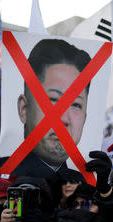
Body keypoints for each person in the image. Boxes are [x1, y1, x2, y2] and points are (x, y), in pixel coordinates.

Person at [12, 38, 92, 179]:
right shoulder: (3, 180)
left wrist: (106, 193)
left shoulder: (87, 186)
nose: (64, 119)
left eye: (75, 105)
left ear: (85, 118)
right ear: (24, 109)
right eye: (53, 100)